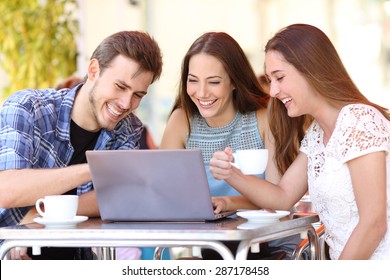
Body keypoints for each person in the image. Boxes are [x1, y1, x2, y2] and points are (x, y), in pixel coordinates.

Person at [210, 23, 390, 260]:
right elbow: (283, 197)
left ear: (310, 70)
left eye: (280, 77)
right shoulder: (317, 133)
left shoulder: (359, 120)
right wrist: (231, 173)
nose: (273, 91)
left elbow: (374, 223)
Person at [0, 30, 163, 259]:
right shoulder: (28, 108)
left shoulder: (128, 128)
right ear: (94, 70)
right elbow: (7, 189)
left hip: (79, 260)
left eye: (138, 95)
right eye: (120, 86)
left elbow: (119, 199)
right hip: (9, 255)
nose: (126, 103)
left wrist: (41, 214)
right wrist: (94, 168)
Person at [160, 31, 301, 259]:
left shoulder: (265, 119)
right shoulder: (181, 121)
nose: (202, 93)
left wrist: (227, 203)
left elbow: (279, 201)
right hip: (216, 250)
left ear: (234, 81)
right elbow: (163, 193)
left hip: (274, 250)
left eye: (214, 82)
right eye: (193, 80)